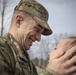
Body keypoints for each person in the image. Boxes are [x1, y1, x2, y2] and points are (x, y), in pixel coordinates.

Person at [0, 0, 76, 75]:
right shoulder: (2, 51)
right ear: (19, 21)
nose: (39, 39)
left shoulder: (26, 61)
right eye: (36, 29)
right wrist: (52, 73)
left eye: (41, 33)